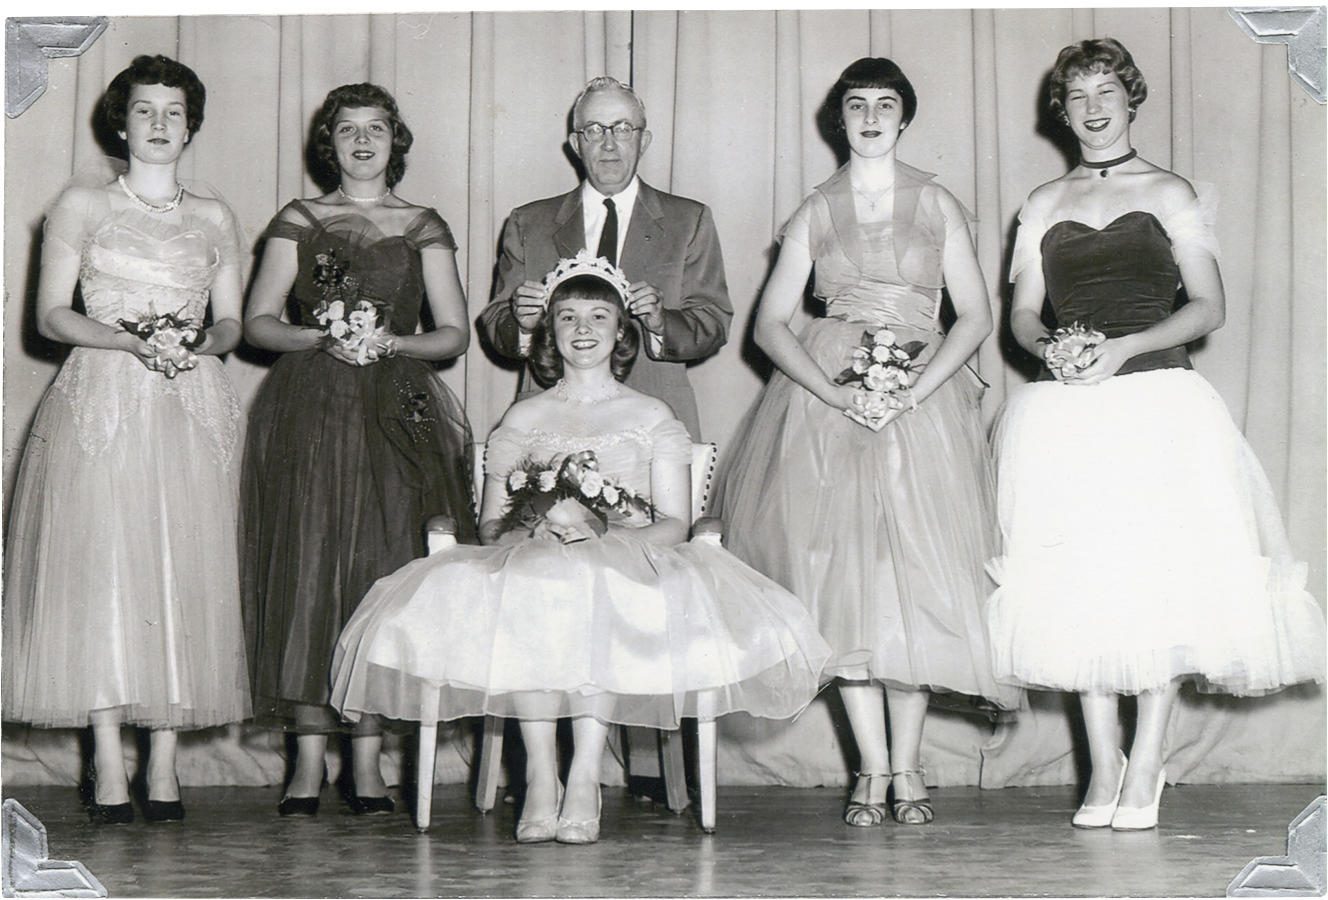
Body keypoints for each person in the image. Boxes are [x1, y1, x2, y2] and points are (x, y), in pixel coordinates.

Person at [330, 253, 830, 844]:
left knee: (592, 578)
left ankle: (585, 773)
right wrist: (535, 527)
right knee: (540, 580)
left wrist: (605, 533)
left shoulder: (650, 414)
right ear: (549, 332)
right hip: (534, 558)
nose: (584, 329)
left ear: (622, 331)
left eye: (599, 316)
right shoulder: (525, 416)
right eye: (567, 317)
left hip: (631, 559)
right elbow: (492, 526)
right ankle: (542, 775)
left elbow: (673, 522)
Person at [986, 38, 1325, 831]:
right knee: (1082, 584)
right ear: (1061, 110)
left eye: (1107, 90)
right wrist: (1054, 350)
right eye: (1078, 95)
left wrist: (1122, 348)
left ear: (1130, 100)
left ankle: (1148, 764)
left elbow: (1209, 306)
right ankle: (1103, 764)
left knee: (1159, 582)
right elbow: (1023, 316)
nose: (1094, 106)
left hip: (1157, 402)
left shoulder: (1170, 191)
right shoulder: (1041, 202)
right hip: (1066, 412)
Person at [715, 57, 1020, 827]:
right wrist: (839, 393)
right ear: (839, 119)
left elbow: (976, 317)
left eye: (886, 104)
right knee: (839, 586)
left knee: (907, 583)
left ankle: (910, 767)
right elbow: (769, 325)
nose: (872, 116)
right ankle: (871, 770)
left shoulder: (937, 201)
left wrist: (913, 391)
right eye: (858, 104)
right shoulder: (817, 208)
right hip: (827, 404)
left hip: (921, 401)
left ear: (905, 116)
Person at [2, 55, 249, 824]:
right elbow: (50, 316)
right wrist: (131, 341)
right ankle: (108, 761)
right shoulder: (81, 204)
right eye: (145, 111)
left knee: (183, 569)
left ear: (191, 123)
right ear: (120, 119)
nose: (160, 125)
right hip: (103, 394)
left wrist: (198, 345)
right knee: (105, 572)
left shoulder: (214, 215)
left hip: (191, 401)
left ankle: (166, 764)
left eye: (174, 112)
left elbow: (234, 322)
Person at [241, 83, 476, 818]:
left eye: (376, 129)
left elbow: (454, 333)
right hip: (311, 406)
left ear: (395, 140)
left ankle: (368, 757)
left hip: (397, 409)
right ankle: (308, 759)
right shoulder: (299, 219)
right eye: (348, 130)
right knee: (309, 565)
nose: (363, 142)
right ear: (330, 143)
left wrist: (389, 343)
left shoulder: (423, 224)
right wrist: (321, 336)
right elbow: (257, 322)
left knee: (384, 564)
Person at [478, 76, 732, 441]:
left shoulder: (689, 220)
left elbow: (713, 323)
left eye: (623, 129)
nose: (609, 143)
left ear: (644, 141)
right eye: (594, 130)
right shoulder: (528, 222)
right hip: (550, 420)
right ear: (576, 144)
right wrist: (522, 324)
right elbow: (494, 321)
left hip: (653, 419)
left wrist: (662, 323)